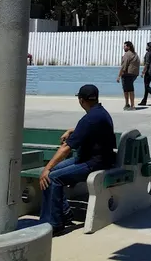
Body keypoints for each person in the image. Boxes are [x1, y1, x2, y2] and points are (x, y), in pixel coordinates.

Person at [38, 84, 116, 236]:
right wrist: (72, 130)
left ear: (81, 100)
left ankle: (54, 224)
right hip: (93, 159)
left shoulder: (90, 119)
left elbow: (65, 148)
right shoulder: (100, 113)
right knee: (53, 173)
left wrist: (46, 168)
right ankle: (64, 213)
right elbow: (89, 129)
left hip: (93, 163)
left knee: (51, 176)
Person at [117, 41, 139, 110]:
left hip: (127, 74)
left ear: (128, 47)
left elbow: (123, 66)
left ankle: (132, 105)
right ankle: (127, 104)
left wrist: (119, 76)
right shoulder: (135, 54)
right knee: (127, 90)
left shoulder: (127, 54)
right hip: (134, 74)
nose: (124, 47)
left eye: (125, 46)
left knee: (129, 90)